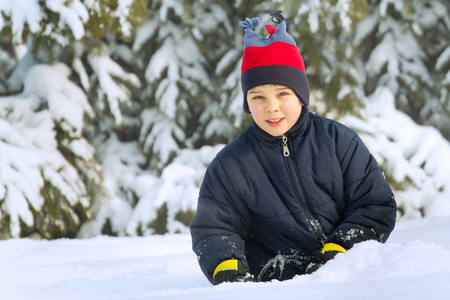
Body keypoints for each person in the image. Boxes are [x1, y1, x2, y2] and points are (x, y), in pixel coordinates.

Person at [190, 10, 397, 285]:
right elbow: (215, 226)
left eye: (282, 94)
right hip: (275, 286)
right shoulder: (231, 165)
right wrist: (227, 265)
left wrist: (340, 249)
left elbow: (374, 203)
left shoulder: (338, 141)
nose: (271, 107)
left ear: (301, 95)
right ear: (247, 102)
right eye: (258, 96)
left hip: (347, 278)